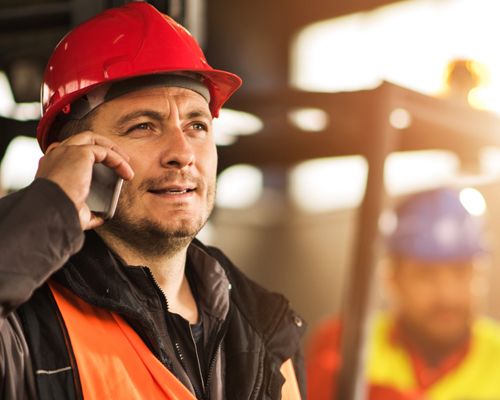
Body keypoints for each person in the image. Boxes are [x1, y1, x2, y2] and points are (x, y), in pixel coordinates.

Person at [0, 3, 305, 399]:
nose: (182, 152)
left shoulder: (267, 325)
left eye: (197, 125)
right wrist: (50, 204)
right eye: (143, 126)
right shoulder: (28, 321)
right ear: (71, 158)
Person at [307, 188, 500, 400]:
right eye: (425, 274)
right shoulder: (346, 340)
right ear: (391, 279)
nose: (447, 295)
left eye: (461, 272)